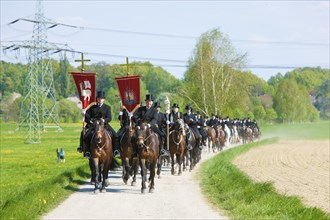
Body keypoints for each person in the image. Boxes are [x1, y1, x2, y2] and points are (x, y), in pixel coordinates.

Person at [77, 91, 120, 158]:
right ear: (97, 99)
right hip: (93, 125)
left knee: (115, 135)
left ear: (104, 99)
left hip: (104, 125)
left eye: (101, 98)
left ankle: (115, 150)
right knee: (84, 134)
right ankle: (86, 150)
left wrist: (104, 120)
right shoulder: (92, 107)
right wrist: (85, 114)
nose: (100, 100)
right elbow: (86, 118)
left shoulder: (107, 107)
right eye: (99, 98)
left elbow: (109, 118)